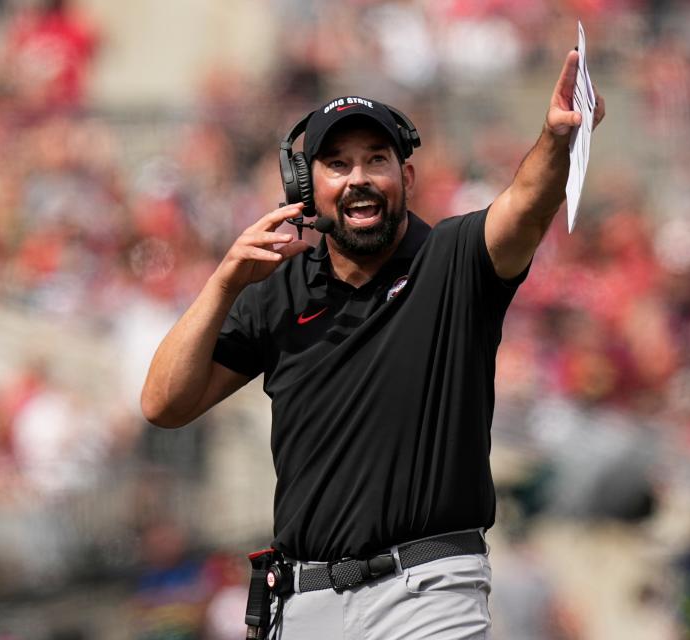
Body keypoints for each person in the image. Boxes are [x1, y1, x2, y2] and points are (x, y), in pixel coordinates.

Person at [141, 49, 605, 638]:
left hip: (427, 591)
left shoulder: (453, 260)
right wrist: (225, 281)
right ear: (306, 187)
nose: (358, 177)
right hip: (305, 601)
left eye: (375, 160)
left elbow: (526, 207)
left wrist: (554, 139)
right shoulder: (277, 292)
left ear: (405, 177)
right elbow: (163, 404)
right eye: (336, 163)